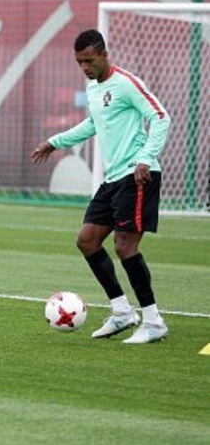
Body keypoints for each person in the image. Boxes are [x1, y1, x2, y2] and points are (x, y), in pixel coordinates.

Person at [31, 29, 171, 344]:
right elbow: (93, 124)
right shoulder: (94, 88)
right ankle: (122, 312)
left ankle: (153, 320)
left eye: (89, 61)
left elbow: (161, 117)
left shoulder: (126, 83)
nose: (84, 67)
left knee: (125, 247)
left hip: (137, 175)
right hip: (113, 179)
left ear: (104, 54)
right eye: (79, 62)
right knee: (87, 240)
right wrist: (55, 142)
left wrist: (145, 158)